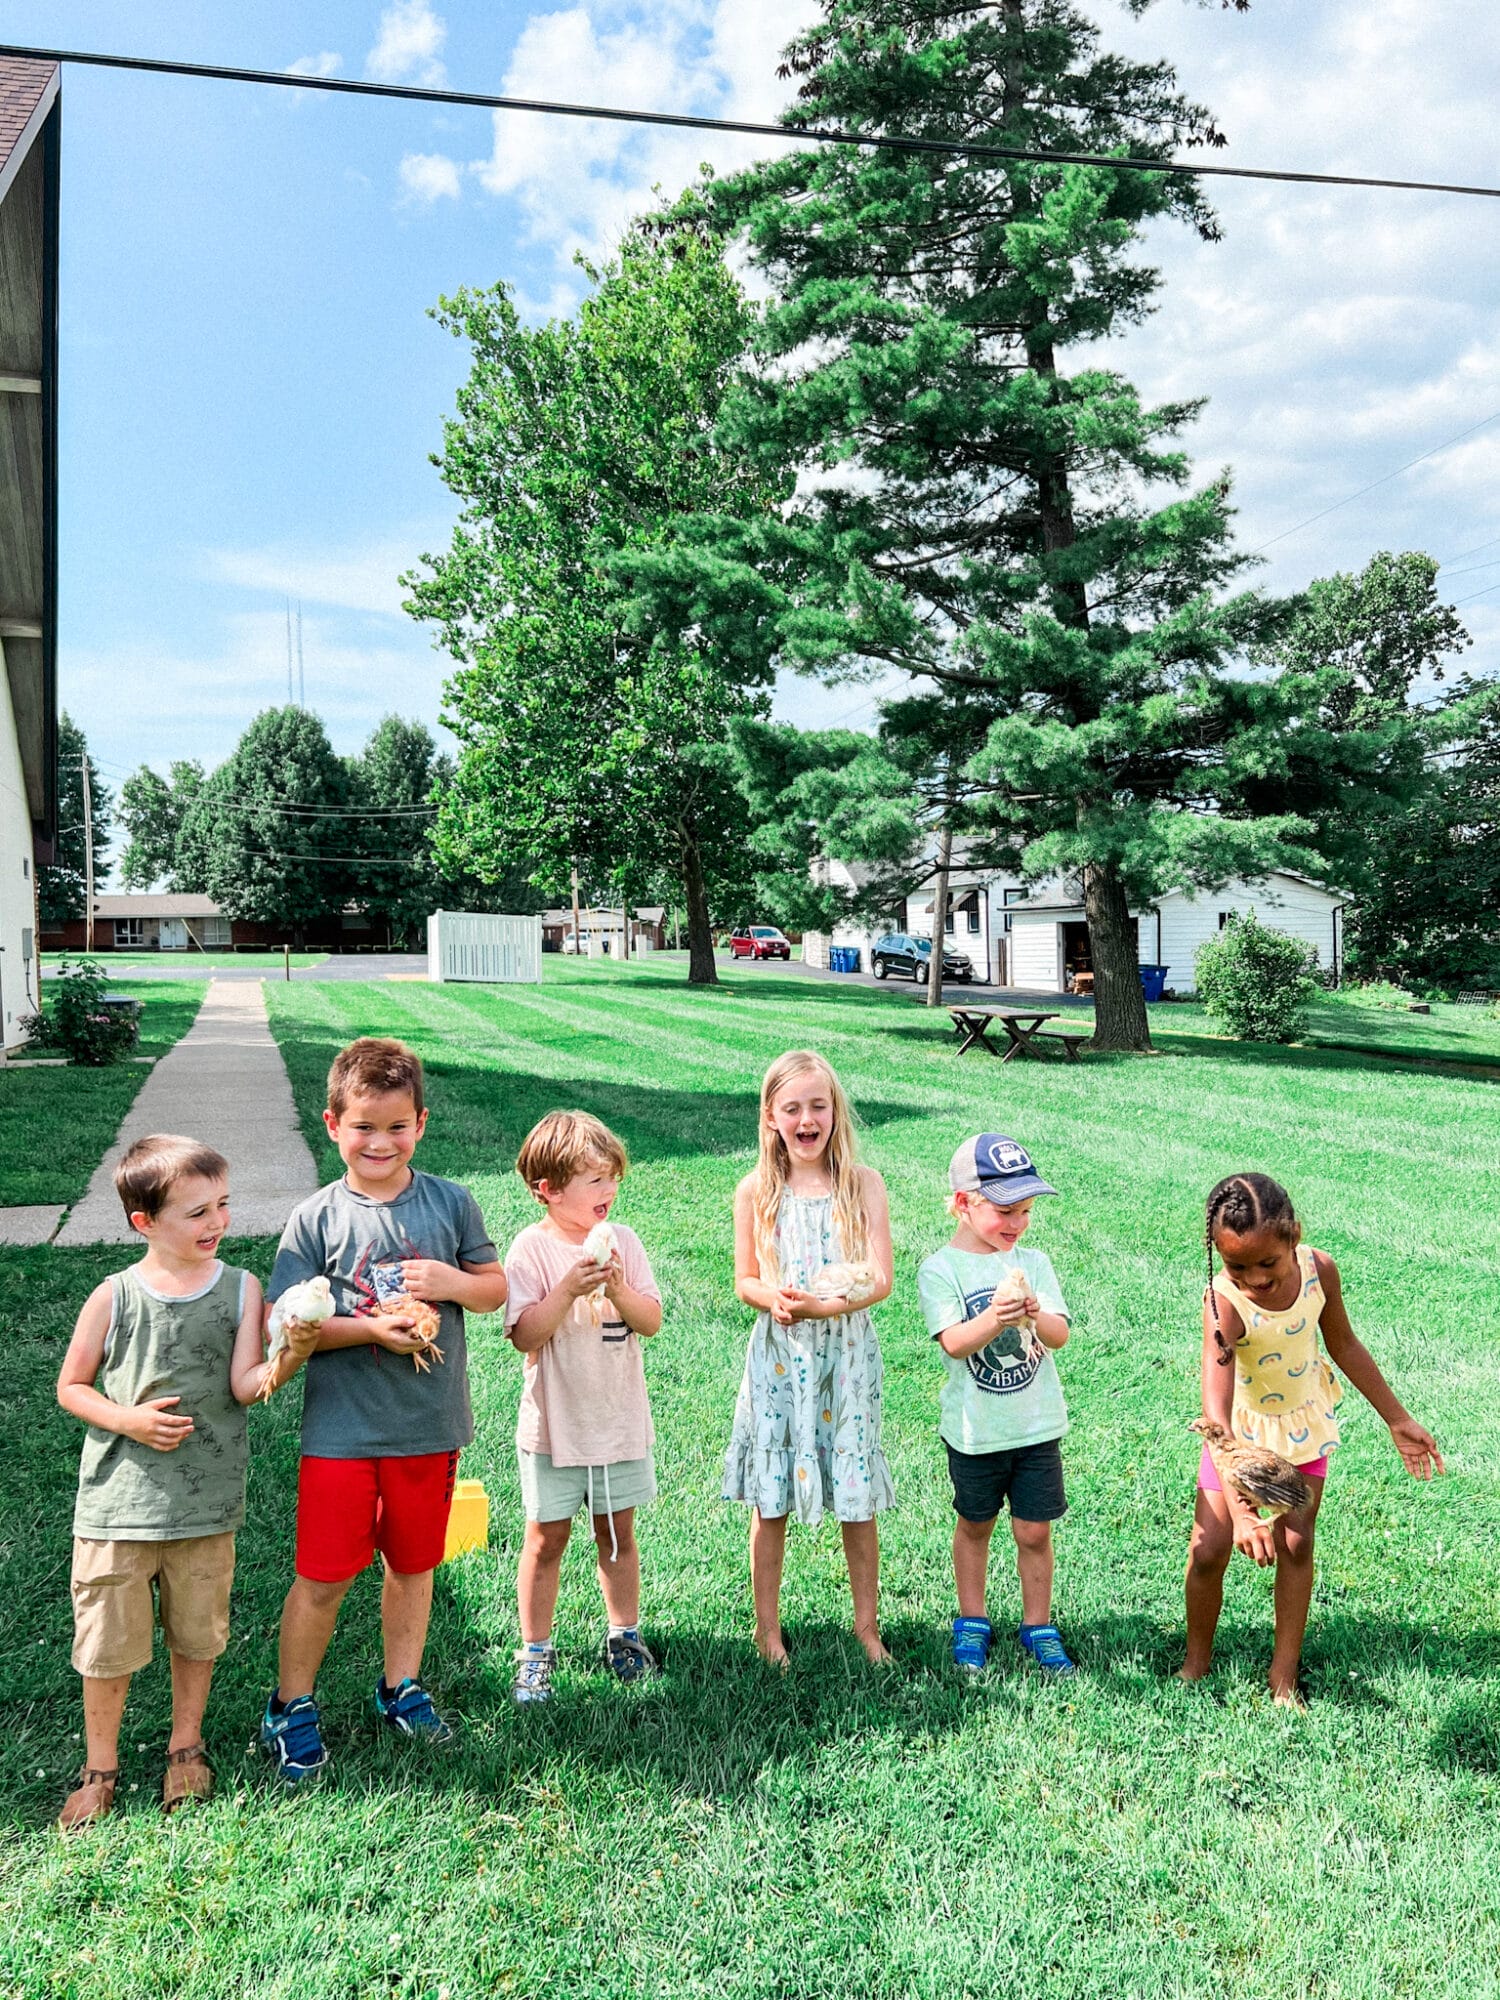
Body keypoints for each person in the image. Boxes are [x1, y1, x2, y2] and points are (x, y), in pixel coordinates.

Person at [260, 1037, 507, 1781]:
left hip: (428, 1425)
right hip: (341, 1432)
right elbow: (286, 1323)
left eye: (397, 1126)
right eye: (363, 1126)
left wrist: (448, 1284)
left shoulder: (450, 1202)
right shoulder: (315, 1219)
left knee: (414, 1564)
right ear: (333, 1125)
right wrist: (371, 1329)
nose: (380, 1142)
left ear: (420, 1124)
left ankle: (401, 1687)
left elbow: (493, 1289)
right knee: (324, 1575)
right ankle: (290, 1704)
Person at [55, 1134, 277, 1828]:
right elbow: (71, 1386)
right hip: (118, 1508)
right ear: (144, 1222)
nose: (218, 1223)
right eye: (197, 1212)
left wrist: (290, 1352)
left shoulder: (243, 1288)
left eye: (223, 1205)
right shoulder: (114, 1295)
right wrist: (129, 1420)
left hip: (205, 1504)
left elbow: (246, 1386)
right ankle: (100, 1768)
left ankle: (186, 1747)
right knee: (107, 1645)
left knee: (198, 1634)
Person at [1182, 1171, 1444, 1704]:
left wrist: (1396, 1418)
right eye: (1237, 1266)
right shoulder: (1223, 1303)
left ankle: (1283, 1678)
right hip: (1238, 1440)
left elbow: (1344, 1345)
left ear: (1293, 1236)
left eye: (1267, 1263)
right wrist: (1242, 1511)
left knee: (1296, 1543)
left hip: (1302, 1427)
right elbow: (1216, 1415)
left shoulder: (1319, 1271)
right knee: (1208, 1549)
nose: (1254, 1279)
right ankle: (1195, 1662)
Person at [723, 1049, 894, 1666]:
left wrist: (829, 1305)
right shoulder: (757, 1191)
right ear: (771, 1116)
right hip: (780, 1358)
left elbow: (880, 1277)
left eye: (818, 1106)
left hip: (845, 1358)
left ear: (835, 1111)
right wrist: (772, 1298)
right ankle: (767, 1631)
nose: (806, 1119)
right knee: (772, 1496)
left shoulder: (863, 1184)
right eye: (792, 1108)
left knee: (856, 1490)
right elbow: (745, 1278)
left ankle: (867, 1626)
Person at [505, 1111, 663, 1704]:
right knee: (546, 1538)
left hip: (616, 1421)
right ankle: (534, 1652)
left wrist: (617, 1286)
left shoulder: (624, 1242)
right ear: (548, 1189)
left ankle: (624, 1635)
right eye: (594, 1179)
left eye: (612, 1177)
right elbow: (524, 1334)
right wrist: (568, 1288)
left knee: (617, 1534)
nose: (609, 1189)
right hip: (555, 1426)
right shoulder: (533, 1249)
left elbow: (650, 1321)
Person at [918, 1134, 1077, 1678]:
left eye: (1026, 1211)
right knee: (975, 1525)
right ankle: (973, 1620)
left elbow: (1058, 1335)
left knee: (1034, 1531)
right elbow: (954, 1343)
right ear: (964, 1203)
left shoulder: (1034, 1262)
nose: (1018, 1223)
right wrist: (997, 1318)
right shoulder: (941, 1269)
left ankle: (1039, 1625)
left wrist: (1034, 1313)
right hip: (976, 1432)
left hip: (1036, 1426)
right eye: (1006, 1211)